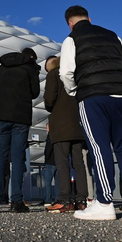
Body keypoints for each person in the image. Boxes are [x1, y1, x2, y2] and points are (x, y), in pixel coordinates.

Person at [59, 5, 122, 220]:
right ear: (89, 17)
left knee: (99, 146)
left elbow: (66, 71)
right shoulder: (112, 35)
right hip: (119, 95)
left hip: (92, 97)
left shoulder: (72, 39)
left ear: (70, 22)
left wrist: (74, 91)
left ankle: (105, 202)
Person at [0, 47, 40, 213]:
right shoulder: (29, 68)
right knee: (17, 159)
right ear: (30, 57)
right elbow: (35, 92)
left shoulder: (1, 68)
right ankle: (16, 201)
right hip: (20, 118)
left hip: (1, 117)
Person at [43, 56, 87, 213]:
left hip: (61, 125)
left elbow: (49, 100)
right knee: (78, 162)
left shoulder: (54, 75)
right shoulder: (76, 75)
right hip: (76, 124)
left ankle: (65, 200)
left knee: (61, 162)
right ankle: (81, 200)